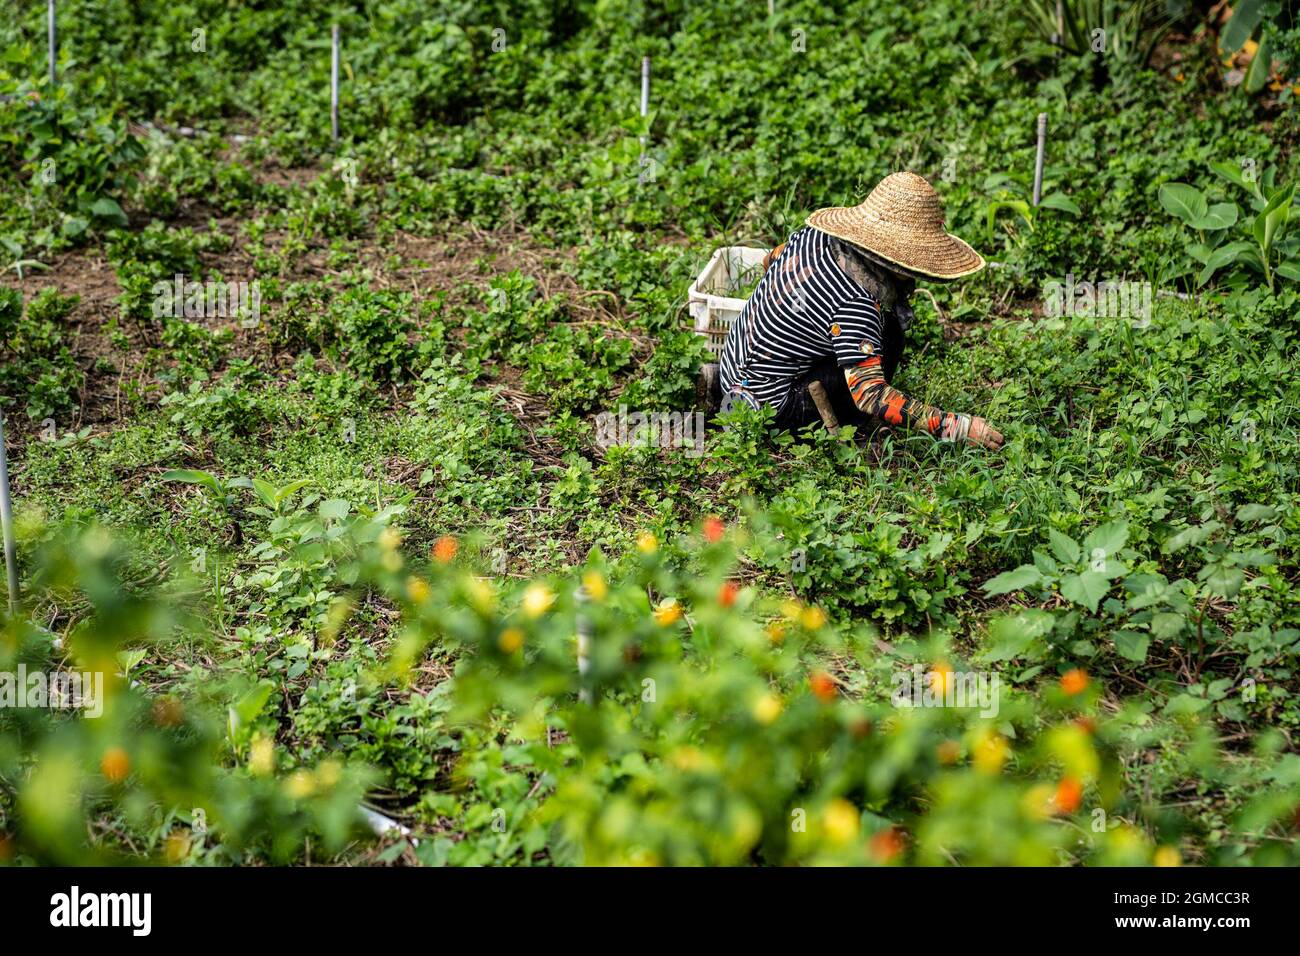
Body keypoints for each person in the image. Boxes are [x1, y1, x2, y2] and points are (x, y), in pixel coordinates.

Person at [717, 171, 1004, 450]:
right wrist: (956, 426)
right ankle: (847, 425)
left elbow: (771, 261)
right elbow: (870, 395)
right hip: (769, 409)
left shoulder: (814, 236)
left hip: (731, 370)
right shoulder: (857, 303)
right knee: (890, 336)